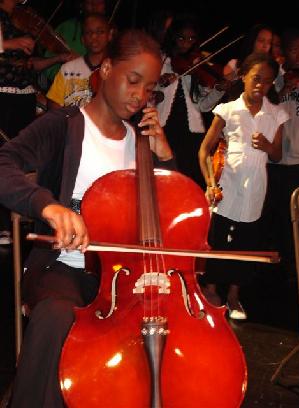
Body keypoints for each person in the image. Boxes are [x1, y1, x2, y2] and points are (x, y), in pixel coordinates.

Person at [0, 28, 174, 407]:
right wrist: (48, 205)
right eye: (133, 80)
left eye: (149, 87)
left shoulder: (141, 141)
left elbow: (175, 216)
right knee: (58, 319)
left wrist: (166, 160)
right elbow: (4, 163)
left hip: (126, 279)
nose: (140, 96)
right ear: (107, 68)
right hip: (63, 269)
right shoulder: (63, 125)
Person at [198, 52, 288, 320]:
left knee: (246, 244)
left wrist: (269, 146)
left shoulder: (276, 114)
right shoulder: (227, 110)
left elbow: (278, 155)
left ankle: (234, 297)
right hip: (226, 187)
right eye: (256, 78)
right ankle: (211, 291)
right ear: (244, 77)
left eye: (268, 82)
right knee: (218, 241)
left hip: (255, 189)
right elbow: (204, 150)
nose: (261, 86)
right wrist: (210, 184)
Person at [0, 0, 75, 244]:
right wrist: (11, 43)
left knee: (22, 159)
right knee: (3, 157)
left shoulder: (24, 18)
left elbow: (30, 65)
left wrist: (58, 58)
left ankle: (17, 220)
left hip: (25, 96)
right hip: (2, 94)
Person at [154, 13, 228, 189]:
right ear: (172, 37)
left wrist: (218, 90)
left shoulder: (196, 64)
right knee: (165, 181)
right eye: (181, 38)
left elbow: (203, 105)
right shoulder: (160, 60)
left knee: (188, 183)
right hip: (166, 130)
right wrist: (161, 83)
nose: (186, 43)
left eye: (191, 39)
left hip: (191, 134)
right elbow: (150, 94)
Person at [262, 28, 299, 281]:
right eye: (293, 49)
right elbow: (267, 111)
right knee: (276, 216)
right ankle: (275, 271)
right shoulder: (275, 79)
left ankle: (296, 270)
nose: (298, 55)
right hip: (275, 160)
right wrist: (284, 89)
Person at [47, 13, 111, 109]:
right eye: (88, 33)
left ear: (109, 36)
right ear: (83, 39)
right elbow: (53, 103)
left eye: (100, 32)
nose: (94, 36)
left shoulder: (116, 69)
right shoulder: (68, 69)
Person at [44, 0, 107, 84]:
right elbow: (48, 67)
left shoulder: (112, 31)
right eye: (90, 3)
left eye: (99, 2)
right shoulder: (66, 27)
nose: (95, 6)